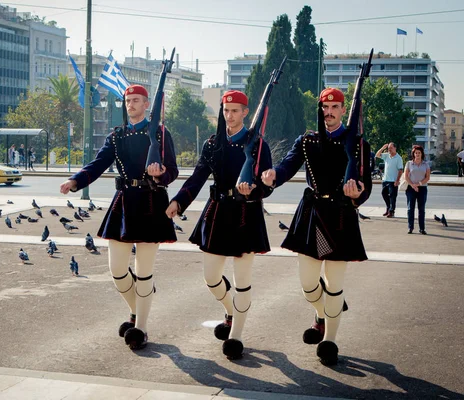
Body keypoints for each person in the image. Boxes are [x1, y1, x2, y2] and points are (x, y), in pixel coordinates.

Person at [60, 84, 178, 350]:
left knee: (144, 272)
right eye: (128, 101)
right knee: (117, 271)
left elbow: (173, 170)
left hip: (151, 201)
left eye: (136, 101)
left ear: (147, 104)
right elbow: (99, 163)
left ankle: (141, 327)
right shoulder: (117, 136)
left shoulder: (160, 133)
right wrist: (75, 180)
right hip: (124, 202)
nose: (131, 105)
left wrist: (160, 174)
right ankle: (138, 307)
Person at [261, 88, 372, 366]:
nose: (329, 111)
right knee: (308, 284)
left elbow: (365, 185)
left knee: (334, 286)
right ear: (319, 108)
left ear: (344, 110)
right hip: (312, 213)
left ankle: (330, 341)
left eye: (335, 107)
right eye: (325, 106)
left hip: (341, 216)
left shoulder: (357, 143)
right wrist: (274, 174)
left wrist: (357, 193)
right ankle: (322, 314)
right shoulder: (307, 140)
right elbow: (288, 166)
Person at [165, 90, 273, 360]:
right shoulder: (213, 143)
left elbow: (267, 188)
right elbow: (198, 177)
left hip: (246, 215)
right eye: (226, 110)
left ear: (245, 112)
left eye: (235, 111)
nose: (229, 115)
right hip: (218, 213)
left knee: (242, 282)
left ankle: (236, 336)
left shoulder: (258, 144)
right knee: (211, 277)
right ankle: (231, 310)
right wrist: (178, 202)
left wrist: (254, 190)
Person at [404, 145, 431, 234]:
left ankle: (422, 228)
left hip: (422, 188)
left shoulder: (426, 164)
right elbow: (406, 176)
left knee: (421, 209)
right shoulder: (409, 163)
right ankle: (410, 227)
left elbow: (427, 177)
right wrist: (412, 185)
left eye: (419, 153)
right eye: (416, 153)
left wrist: (418, 184)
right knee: (410, 208)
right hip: (411, 188)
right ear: (413, 154)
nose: (417, 154)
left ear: (422, 154)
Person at [375, 142, 403, 218]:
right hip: (385, 180)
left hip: (393, 181)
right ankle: (388, 208)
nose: (389, 150)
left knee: (392, 197)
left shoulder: (398, 158)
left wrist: (397, 180)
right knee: (384, 194)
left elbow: (400, 170)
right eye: (388, 148)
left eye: (391, 148)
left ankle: (391, 211)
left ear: (395, 148)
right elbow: (377, 155)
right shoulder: (386, 156)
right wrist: (383, 148)